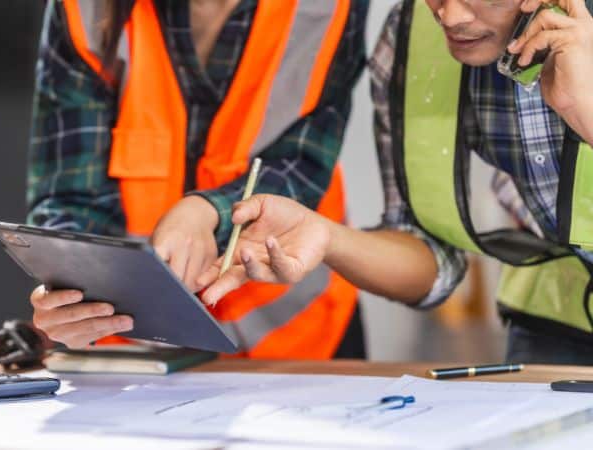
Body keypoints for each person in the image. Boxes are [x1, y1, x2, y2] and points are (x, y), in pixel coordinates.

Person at [200, 0, 593, 365]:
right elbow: (427, 253)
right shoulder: (409, 38)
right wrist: (327, 238)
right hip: (560, 322)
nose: (450, 16)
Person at [25, 0, 369, 359]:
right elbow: (70, 194)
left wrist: (210, 212)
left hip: (295, 338)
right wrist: (70, 286)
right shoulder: (85, 9)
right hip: (137, 349)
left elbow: (301, 165)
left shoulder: (331, 7)